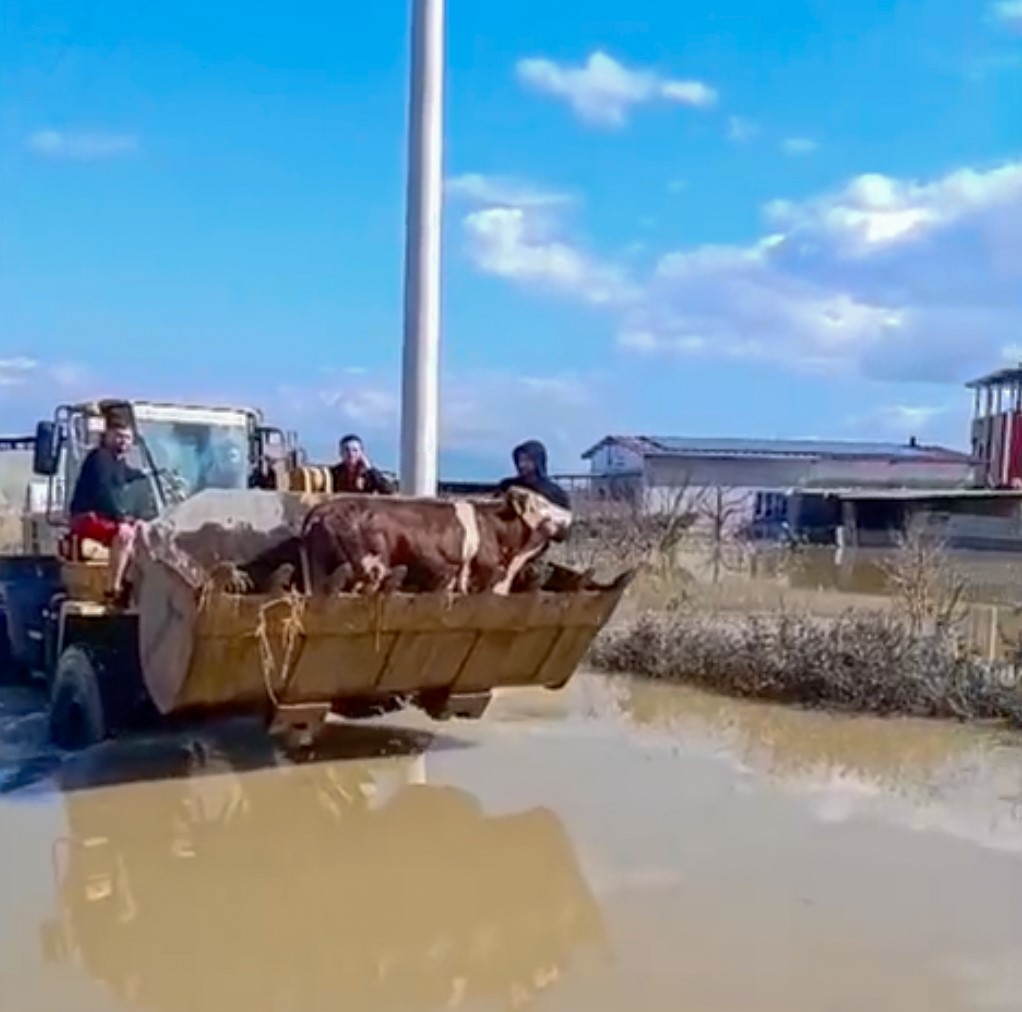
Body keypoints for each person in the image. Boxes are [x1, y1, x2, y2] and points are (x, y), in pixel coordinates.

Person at [68, 412, 148, 603]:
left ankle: (134, 581)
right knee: (124, 534)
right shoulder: (99, 459)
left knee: (144, 530)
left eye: (127, 438)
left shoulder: (119, 464)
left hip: (105, 517)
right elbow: (106, 494)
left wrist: (149, 479)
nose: (123, 442)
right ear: (107, 435)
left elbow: (134, 479)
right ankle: (115, 587)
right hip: (86, 518)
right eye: (119, 436)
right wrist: (122, 519)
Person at [497, 440, 571, 511]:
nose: (521, 465)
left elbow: (563, 517)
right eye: (519, 460)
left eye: (526, 460)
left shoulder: (555, 493)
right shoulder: (508, 486)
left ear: (538, 461)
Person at [330, 434, 395, 495]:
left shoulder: (369, 474)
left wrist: (370, 469)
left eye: (355, 450)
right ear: (340, 452)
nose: (351, 454)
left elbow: (388, 491)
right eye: (347, 450)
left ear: (361, 453)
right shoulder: (334, 473)